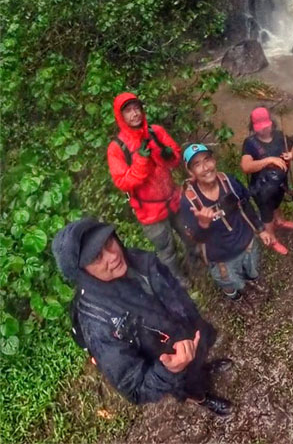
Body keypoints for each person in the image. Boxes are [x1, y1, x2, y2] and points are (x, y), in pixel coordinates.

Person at [52, 218, 232, 415]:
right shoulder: (98, 325)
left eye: (108, 242)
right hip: (169, 359)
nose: (112, 256)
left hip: (187, 329)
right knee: (189, 384)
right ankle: (203, 399)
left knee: (199, 358)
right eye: (96, 257)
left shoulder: (137, 259)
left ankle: (204, 367)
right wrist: (169, 371)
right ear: (82, 273)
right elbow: (134, 387)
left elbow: (173, 291)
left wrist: (193, 319)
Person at [107, 92, 185, 281]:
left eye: (137, 109)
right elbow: (123, 183)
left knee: (191, 233)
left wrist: (169, 155)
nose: (134, 114)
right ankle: (179, 282)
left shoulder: (156, 132)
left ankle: (201, 265)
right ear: (120, 115)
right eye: (128, 111)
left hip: (173, 199)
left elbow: (175, 159)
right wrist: (141, 160)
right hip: (149, 212)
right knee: (166, 250)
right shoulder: (117, 148)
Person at [179, 144, 272, 300]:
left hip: (247, 242)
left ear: (214, 160)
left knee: (252, 270)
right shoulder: (189, 202)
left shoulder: (229, 181)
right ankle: (236, 299)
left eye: (207, 160)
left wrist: (260, 229)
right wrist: (203, 224)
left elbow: (245, 205)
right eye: (197, 164)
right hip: (222, 256)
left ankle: (252, 282)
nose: (206, 167)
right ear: (191, 172)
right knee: (230, 282)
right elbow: (195, 238)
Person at [240, 107, 293, 255]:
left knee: (277, 201)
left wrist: (291, 155)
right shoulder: (250, 143)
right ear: (253, 127)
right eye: (259, 128)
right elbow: (246, 166)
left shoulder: (280, 136)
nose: (264, 130)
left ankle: (279, 220)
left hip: (279, 182)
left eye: (266, 126)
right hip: (261, 187)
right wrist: (268, 160)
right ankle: (271, 238)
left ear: (271, 123)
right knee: (267, 212)